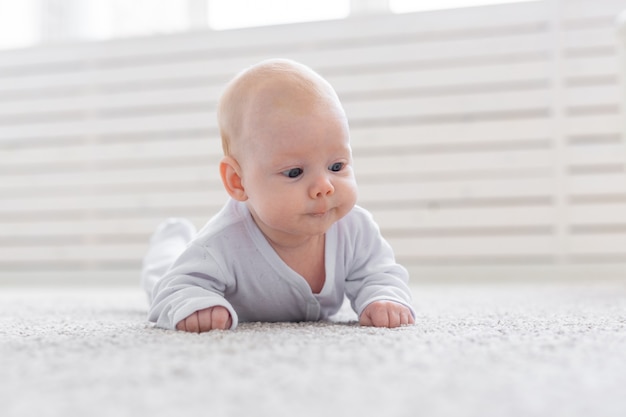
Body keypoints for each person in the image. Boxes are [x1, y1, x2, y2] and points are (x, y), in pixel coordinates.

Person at [141, 58, 415, 333]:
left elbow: (379, 273)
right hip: (188, 263)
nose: (324, 186)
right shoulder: (220, 244)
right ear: (238, 181)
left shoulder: (354, 229)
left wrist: (383, 298)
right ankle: (170, 240)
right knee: (163, 273)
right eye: (295, 172)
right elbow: (174, 288)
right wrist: (197, 304)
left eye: (336, 166)